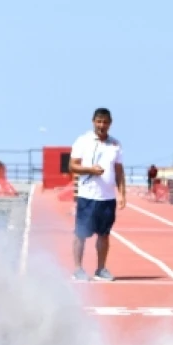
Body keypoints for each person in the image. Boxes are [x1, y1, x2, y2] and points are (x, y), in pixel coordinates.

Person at [68, 108, 125, 281]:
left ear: (110, 123)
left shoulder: (115, 144)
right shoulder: (83, 141)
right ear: (93, 122)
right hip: (87, 196)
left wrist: (122, 193)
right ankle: (78, 269)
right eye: (99, 121)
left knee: (104, 234)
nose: (102, 125)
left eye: (105, 122)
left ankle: (101, 269)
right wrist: (90, 169)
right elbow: (72, 166)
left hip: (107, 198)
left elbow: (119, 170)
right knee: (81, 234)